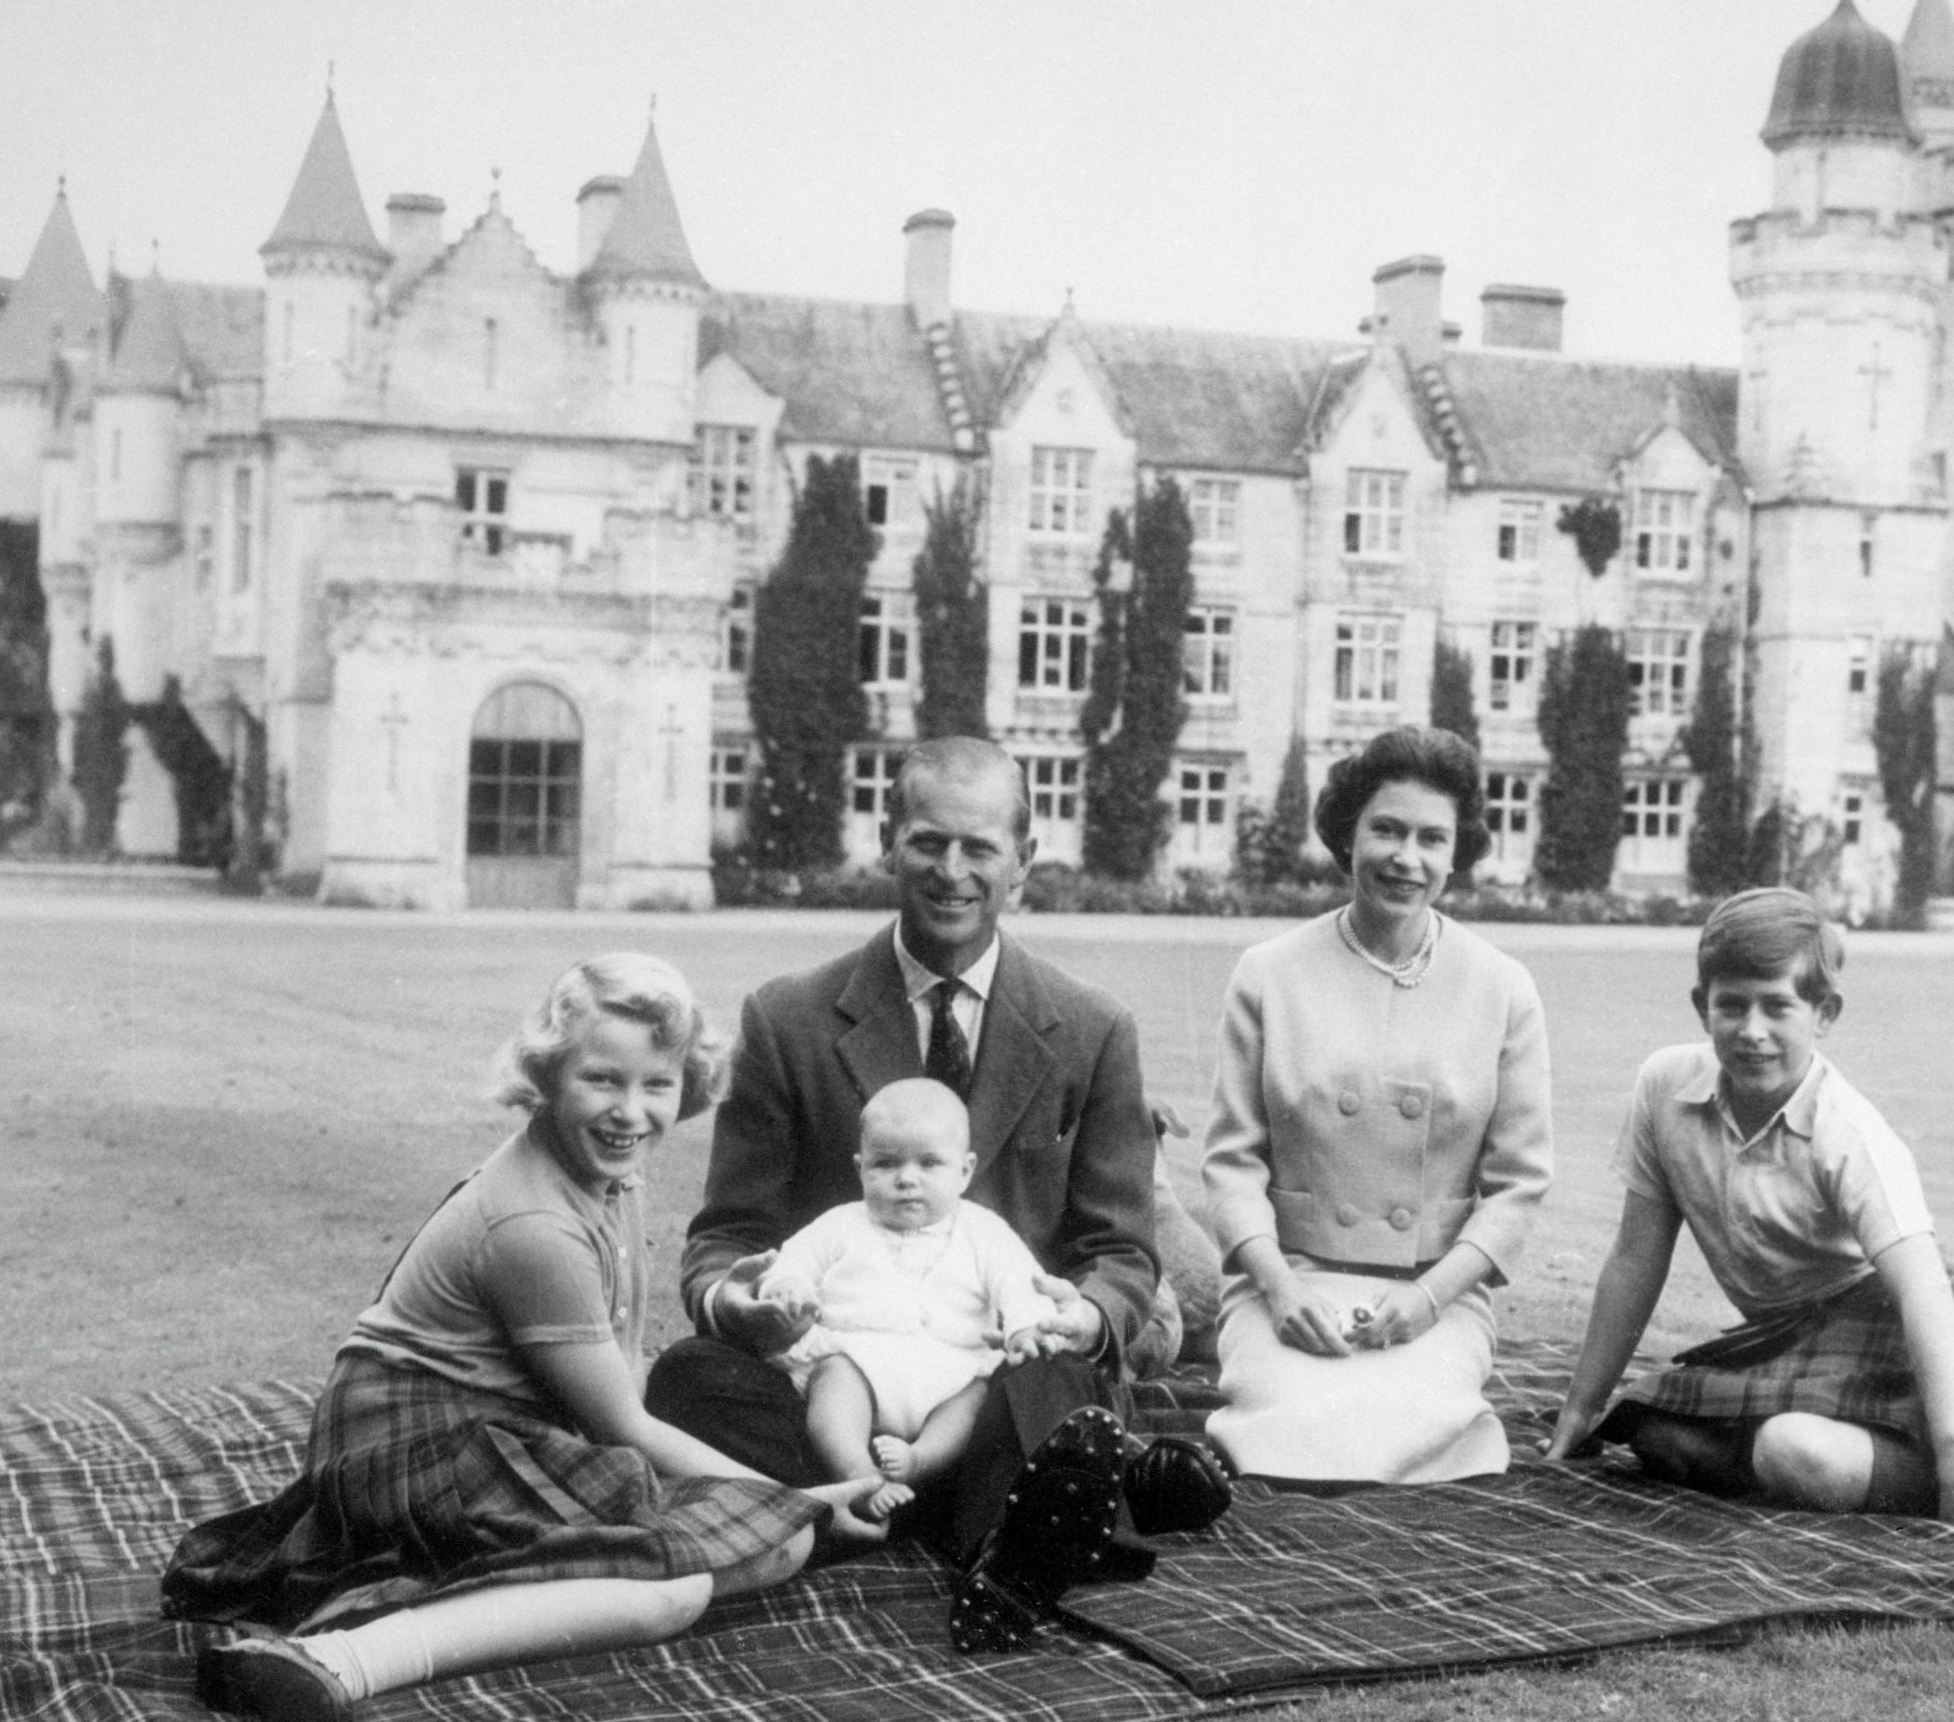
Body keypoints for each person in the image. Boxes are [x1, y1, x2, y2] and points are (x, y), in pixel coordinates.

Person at [163, 955, 889, 1722]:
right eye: (602, 1080)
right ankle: (333, 1660)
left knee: (771, 1544)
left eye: (657, 1084)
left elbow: (625, 1368)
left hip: (495, 1435)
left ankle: (439, 1596)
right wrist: (797, 1499)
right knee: (674, 1591)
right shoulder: (532, 1223)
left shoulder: (612, 1175)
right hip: (412, 1442)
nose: (631, 1112)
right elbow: (623, 1425)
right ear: (547, 1075)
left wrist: (777, 1514)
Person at [646, 736, 1232, 1653]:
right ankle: (1029, 1516)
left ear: (1024, 862)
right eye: (927, 842)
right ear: (888, 842)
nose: (951, 871)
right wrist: (740, 1299)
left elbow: (1121, 1252)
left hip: (998, 1380)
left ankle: (877, 1515)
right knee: (688, 1379)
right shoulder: (788, 1018)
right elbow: (726, 1236)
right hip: (829, 1380)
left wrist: (1084, 1316)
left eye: (979, 848)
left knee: (1064, 1382)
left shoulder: (1093, 1028)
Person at [1543, 889, 1954, 1535]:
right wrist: (1580, 1408)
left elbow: (1923, 1290)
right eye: (1731, 1005)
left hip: (1893, 1321)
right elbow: (1635, 1258)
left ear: (1824, 1013)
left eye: (1777, 1006)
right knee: (1653, 1432)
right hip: (1784, 1338)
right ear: (1700, 1006)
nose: (1751, 1031)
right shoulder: (1664, 1086)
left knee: (1793, 1452)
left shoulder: (1848, 1133)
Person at [1201, 725, 1553, 1483]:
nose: (1406, 857)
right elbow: (1231, 1165)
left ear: (1458, 853)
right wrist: (1281, 1288)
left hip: (1432, 1293)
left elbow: (1520, 1187)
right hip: (1291, 1281)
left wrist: (1430, 1299)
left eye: (1432, 838)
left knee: (1405, 1428)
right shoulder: (1268, 975)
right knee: (1295, 1425)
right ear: (1346, 835)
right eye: (1386, 829)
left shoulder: (1502, 987)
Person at [753, 1078, 1060, 1519]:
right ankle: (857, 1473)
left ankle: (921, 1461)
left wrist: (1024, 1326)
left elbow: (1019, 1281)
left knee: (973, 1399)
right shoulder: (841, 1224)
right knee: (834, 1383)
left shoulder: (983, 1230)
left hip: (951, 1368)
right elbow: (793, 1262)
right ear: (860, 1168)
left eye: (930, 1163)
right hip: (860, 1358)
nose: (907, 1180)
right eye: (886, 1164)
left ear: (965, 1170)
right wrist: (789, 1287)